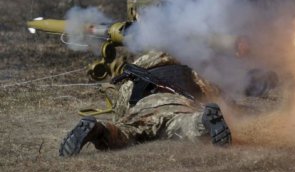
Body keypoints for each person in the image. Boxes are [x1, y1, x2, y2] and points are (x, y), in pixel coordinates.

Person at [59, 51, 231, 156]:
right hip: (178, 105)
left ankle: (98, 130)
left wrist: (118, 110)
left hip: (143, 109)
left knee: (122, 133)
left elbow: (122, 107)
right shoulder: (188, 70)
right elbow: (211, 92)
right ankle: (204, 121)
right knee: (187, 125)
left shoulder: (133, 75)